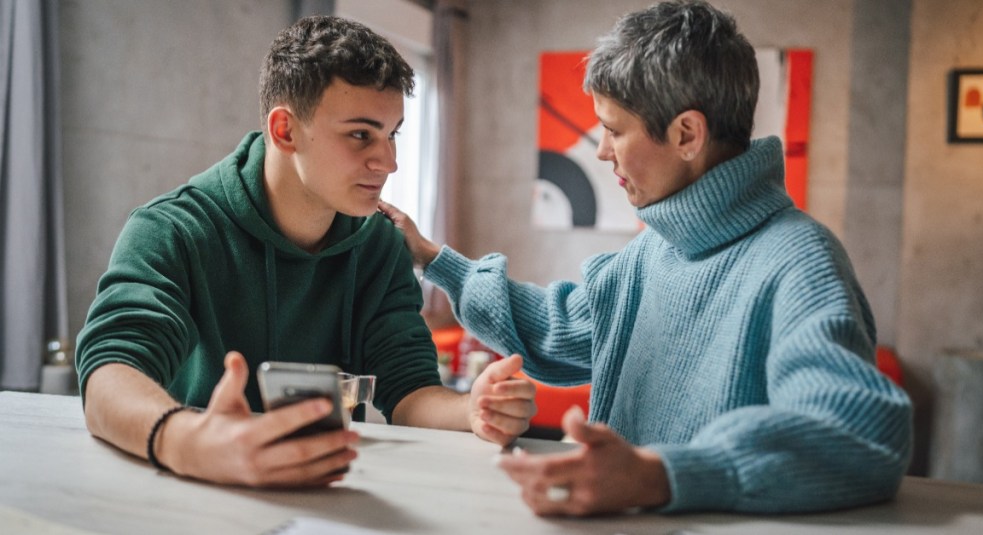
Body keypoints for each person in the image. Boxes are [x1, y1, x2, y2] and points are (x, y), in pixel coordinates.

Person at [378, 0, 912, 516]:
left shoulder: (801, 263)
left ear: (686, 134)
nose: (602, 151)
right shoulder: (651, 252)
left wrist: (659, 475)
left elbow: (855, 435)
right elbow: (558, 329)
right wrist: (433, 257)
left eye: (612, 129)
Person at [74, 15, 536, 489]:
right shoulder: (171, 229)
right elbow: (109, 373)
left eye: (392, 133)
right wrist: (188, 441)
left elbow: (411, 391)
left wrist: (473, 408)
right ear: (285, 131)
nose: (389, 162)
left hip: (328, 498)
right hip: (187, 490)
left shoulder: (380, 243)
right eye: (361, 134)